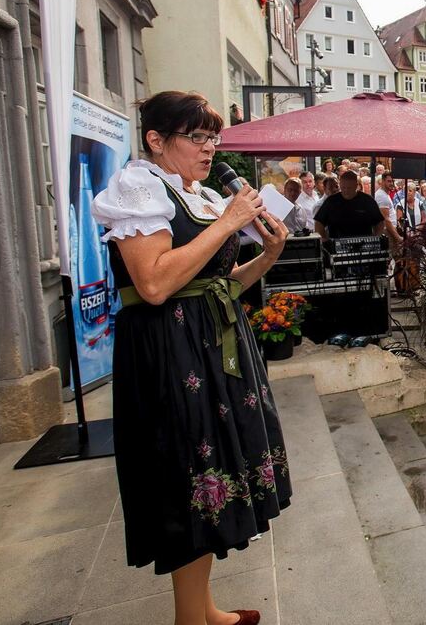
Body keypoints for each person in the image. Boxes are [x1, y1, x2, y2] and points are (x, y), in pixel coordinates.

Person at [91, 91, 290, 625]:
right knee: (187, 476)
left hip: (205, 343)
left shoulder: (191, 193)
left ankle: (203, 608)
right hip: (170, 353)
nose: (209, 149)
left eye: (212, 138)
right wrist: (227, 223)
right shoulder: (138, 187)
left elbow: (218, 287)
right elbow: (154, 284)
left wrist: (267, 255)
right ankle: (190, 621)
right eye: (196, 137)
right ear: (156, 140)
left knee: (210, 475)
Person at [314, 170, 384, 240]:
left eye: (349, 188)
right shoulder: (331, 201)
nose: (346, 191)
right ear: (340, 185)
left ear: (356, 186)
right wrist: (324, 240)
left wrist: (375, 239)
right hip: (337, 246)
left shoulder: (367, 200)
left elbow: (379, 222)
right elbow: (318, 222)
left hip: (364, 245)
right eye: (343, 187)